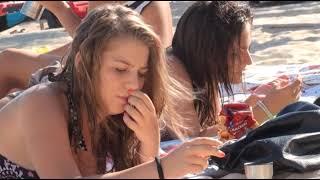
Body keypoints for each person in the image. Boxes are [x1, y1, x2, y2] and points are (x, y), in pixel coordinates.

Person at [0, 5, 225, 179]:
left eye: (142, 73)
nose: (134, 84)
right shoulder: (42, 104)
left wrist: (149, 146)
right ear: (83, 64)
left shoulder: (116, 115)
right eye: (120, 69)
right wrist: (160, 167)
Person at [164, 1, 302, 139]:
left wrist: (249, 104)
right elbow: (193, 144)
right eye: (235, 54)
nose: (249, 61)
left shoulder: (204, 72)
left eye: (248, 49)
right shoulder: (173, 71)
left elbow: (214, 127)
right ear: (207, 52)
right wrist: (265, 109)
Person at [0, 1, 173, 100]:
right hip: (132, 80)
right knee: (13, 83)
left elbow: (87, 44)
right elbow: (88, 41)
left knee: (7, 63)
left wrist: (59, 9)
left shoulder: (148, 7)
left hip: (112, 86)